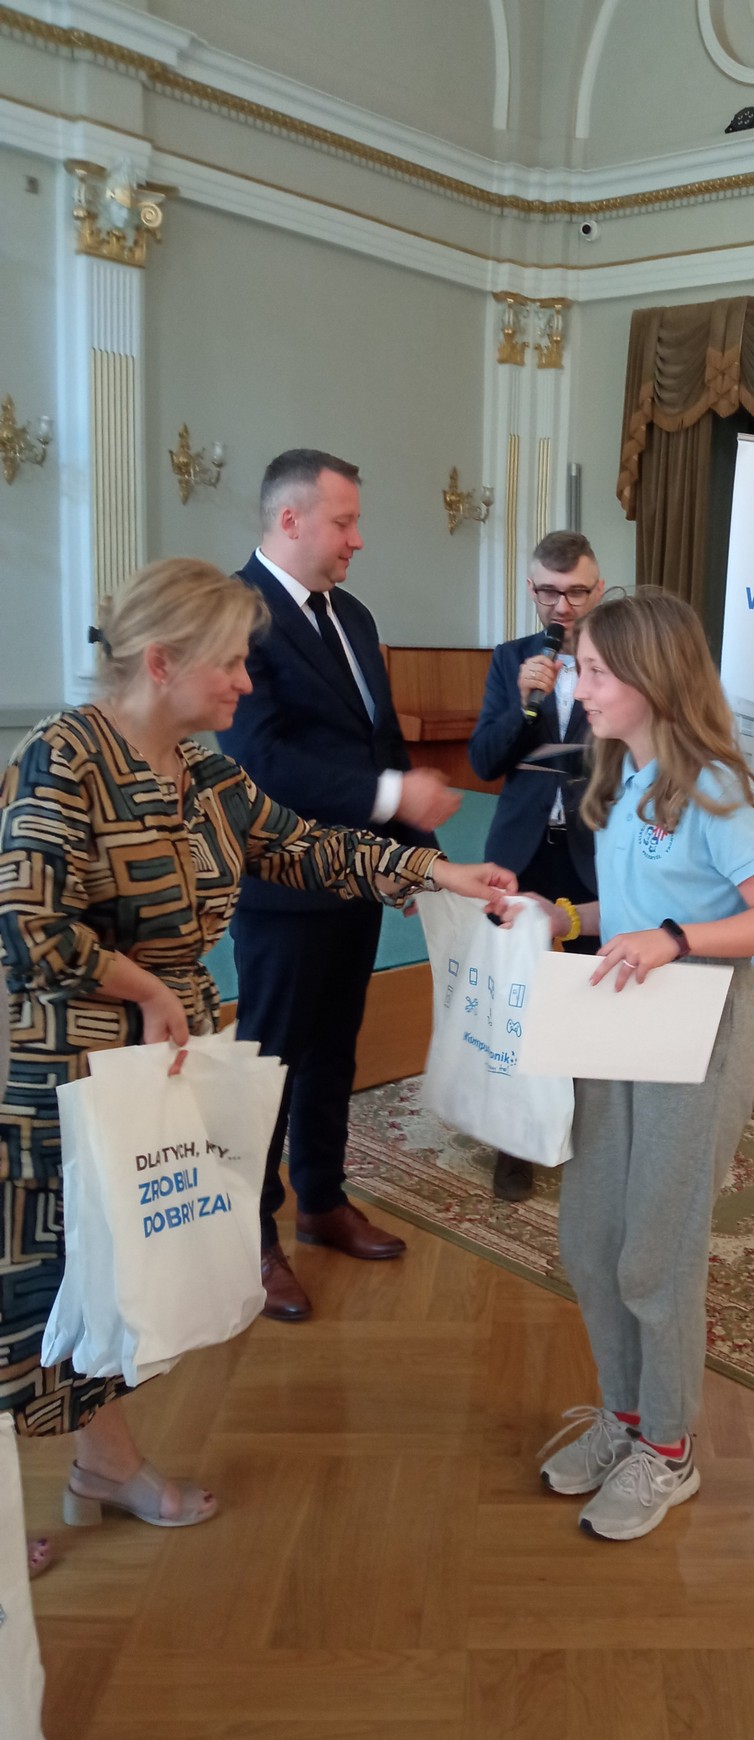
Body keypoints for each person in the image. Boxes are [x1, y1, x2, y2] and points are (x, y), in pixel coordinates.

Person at [0, 558, 514, 1549]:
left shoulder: (202, 772)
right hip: (64, 1078)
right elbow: (28, 926)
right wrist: (148, 987)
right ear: (162, 662)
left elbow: (303, 844)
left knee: (109, 1282)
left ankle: (104, 1463)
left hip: (154, 1072)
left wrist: (432, 872)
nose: (245, 680)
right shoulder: (63, 755)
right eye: (230, 662)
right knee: (33, 1287)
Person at [529, 591, 754, 1541]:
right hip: (620, 1018)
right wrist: (566, 917)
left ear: (651, 678)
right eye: (580, 669)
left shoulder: (716, 787)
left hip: (700, 1029)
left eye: (596, 672)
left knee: (657, 1246)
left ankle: (669, 1448)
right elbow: (636, 911)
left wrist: (678, 939)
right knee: (591, 1236)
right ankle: (626, 1415)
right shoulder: (621, 779)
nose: (580, 687)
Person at [220, 450, 460, 1321]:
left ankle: (321, 1199)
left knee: (333, 1050)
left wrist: (426, 859)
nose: (358, 539)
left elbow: (380, 743)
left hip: (360, 878)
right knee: (268, 1066)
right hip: (282, 886)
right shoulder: (235, 613)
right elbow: (262, 760)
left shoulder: (351, 614)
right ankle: (250, 1237)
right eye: (344, 522)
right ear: (290, 520)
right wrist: (391, 798)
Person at [468, 530, 606, 1200]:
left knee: (588, 996)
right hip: (521, 853)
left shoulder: (620, 659)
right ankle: (513, 1142)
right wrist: (525, 704)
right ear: (531, 590)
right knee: (514, 1001)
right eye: (549, 592)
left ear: (597, 590)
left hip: (593, 853)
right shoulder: (508, 660)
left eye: (576, 591)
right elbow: (483, 761)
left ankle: (585, 1130)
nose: (563, 606)